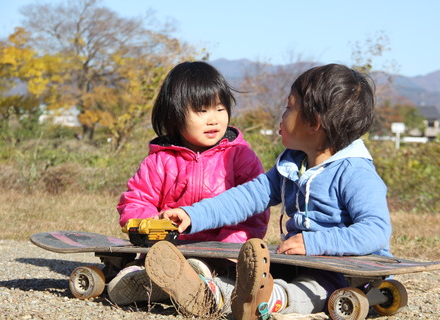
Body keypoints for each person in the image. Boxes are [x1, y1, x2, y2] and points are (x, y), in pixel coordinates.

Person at [148, 64, 392, 319]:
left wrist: (314, 242)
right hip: (299, 261)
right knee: (255, 274)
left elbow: (375, 230)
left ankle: (269, 299)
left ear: (314, 123)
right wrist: (192, 215)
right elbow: (246, 198)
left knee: (312, 289)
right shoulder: (293, 164)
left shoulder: (355, 172)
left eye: (289, 107)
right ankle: (210, 292)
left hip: (347, 270)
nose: (282, 114)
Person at [107, 61, 270, 305]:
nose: (213, 119)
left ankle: (193, 281)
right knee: (145, 262)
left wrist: (224, 249)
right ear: (175, 114)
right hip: (168, 248)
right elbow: (138, 199)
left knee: (217, 274)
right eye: (201, 111)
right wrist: (149, 229)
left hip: (220, 255)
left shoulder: (239, 156)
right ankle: (139, 280)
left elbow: (254, 210)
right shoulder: (160, 160)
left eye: (219, 109)